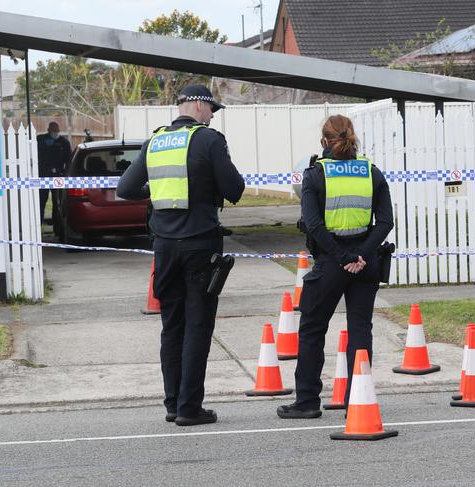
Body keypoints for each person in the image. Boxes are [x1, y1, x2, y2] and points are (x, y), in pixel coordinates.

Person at [116, 84, 245, 426]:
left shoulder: (155, 140)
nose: (213, 115)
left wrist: (157, 192)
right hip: (200, 245)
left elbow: (126, 189)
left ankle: (173, 404)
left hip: (165, 247)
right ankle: (190, 408)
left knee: (172, 326)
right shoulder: (209, 139)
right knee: (198, 326)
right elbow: (235, 189)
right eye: (212, 109)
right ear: (199, 106)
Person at [277, 114, 394, 419]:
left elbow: (314, 226)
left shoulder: (315, 175)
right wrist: (361, 256)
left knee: (312, 329)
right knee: (360, 331)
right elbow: (385, 222)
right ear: (352, 138)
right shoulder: (372, 171)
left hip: (331, 263)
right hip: (365, 264)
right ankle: (357, 399)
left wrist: (342, 258)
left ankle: (306, 401)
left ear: (325, 142)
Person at [37, 121, 71, 224]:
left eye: (57, 131)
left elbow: (68, 160)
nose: (55, 133)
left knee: (58, 203)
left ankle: (57, 226)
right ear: (48, 130)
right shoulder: (40, 140)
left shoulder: (64, 142)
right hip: (43, 175)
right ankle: (39, 223)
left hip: (58, 175)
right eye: (53, 131)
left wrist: (64, 173)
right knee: (41, 200)